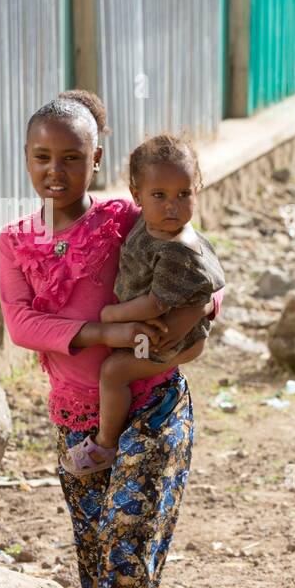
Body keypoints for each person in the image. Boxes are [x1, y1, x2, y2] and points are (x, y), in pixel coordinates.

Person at [0, 90, 223, 588]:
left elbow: (196, 265)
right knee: (100, 558)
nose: (56, 172)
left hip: (153, 404)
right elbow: (21, 323)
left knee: (129, 540)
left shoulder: (127, 216)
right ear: (28, 158)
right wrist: (106, 326)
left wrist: (192, 321)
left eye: (72, 157)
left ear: (98, 158)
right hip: (76, 422)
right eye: (42, 157)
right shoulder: (17, 240)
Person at [60, 134, 226, 476]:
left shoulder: (177, 248)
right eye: (159, 195)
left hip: (176, 336)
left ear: (198, 190)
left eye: (184, 194)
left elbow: (153, 305)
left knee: (114, 372)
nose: (172, 206)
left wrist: (111, 315)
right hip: (165, 326)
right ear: (137, 195)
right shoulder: (151, 227)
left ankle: (104, 446)